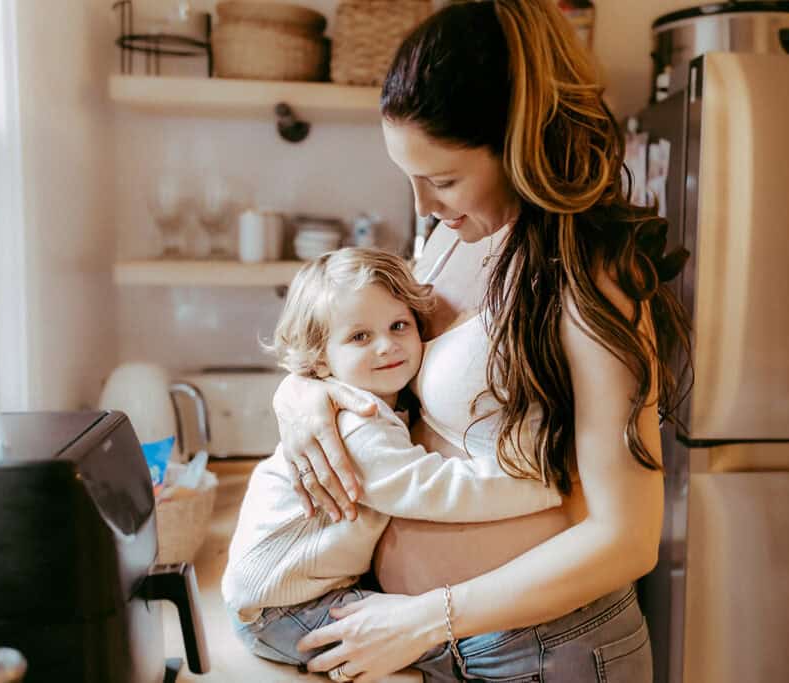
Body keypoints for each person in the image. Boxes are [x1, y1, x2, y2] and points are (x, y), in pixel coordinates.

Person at [272, 1, 690, 681]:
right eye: (410, 177)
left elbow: (626, 537)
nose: (423, 206)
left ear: (520, 145)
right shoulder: (446, 236)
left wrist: (425, 615)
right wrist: (302, 393)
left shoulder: (592, 277)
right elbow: (382, 355)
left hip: (550, 651)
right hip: (440, 643)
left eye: (442, 179)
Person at [222, 248, 562, 668]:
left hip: (292, 595)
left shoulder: (380, 402)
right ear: (320, 357)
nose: (387, 346)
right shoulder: (356, 424)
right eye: (360, 337)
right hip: (280, 610)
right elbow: (435, 489)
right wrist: (540, 486)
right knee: (438, 645)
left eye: (398, 326)